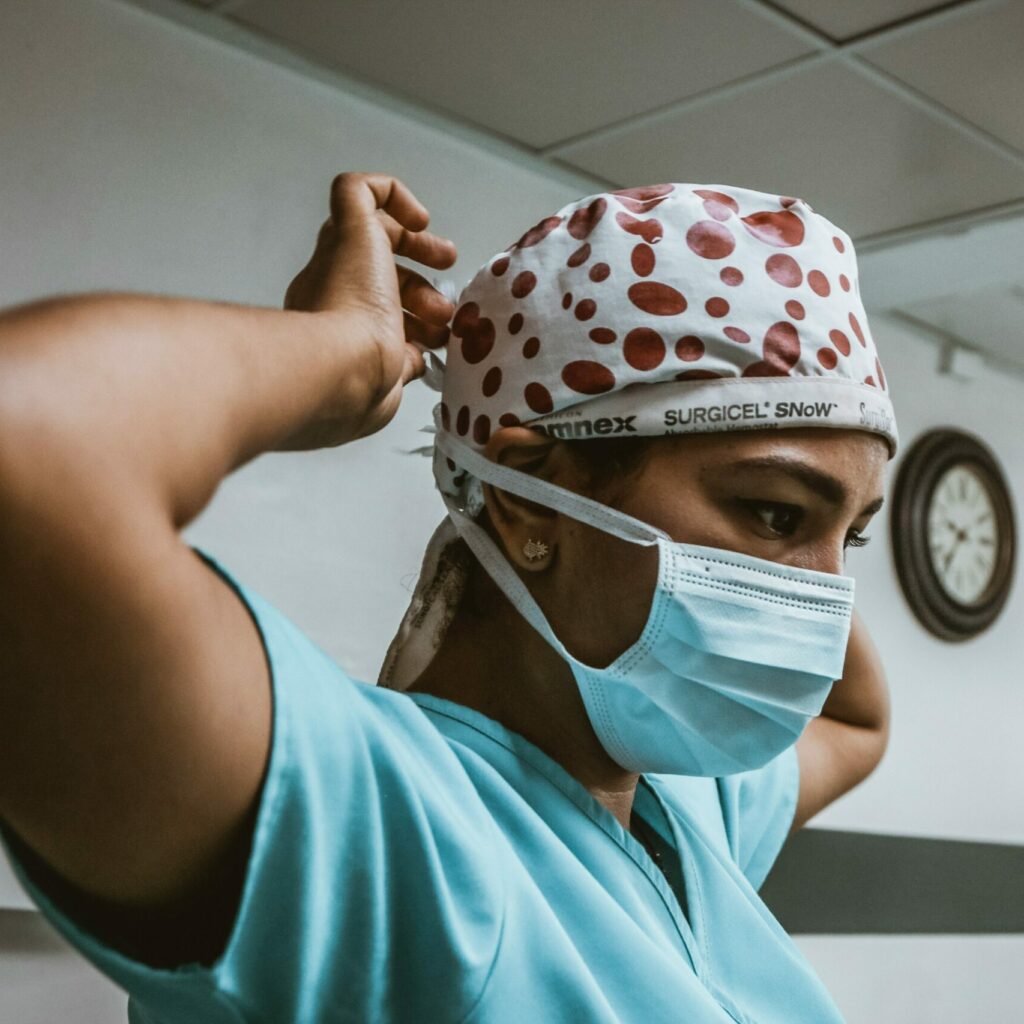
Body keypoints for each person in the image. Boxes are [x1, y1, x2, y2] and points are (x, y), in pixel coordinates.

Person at [0, 173, 894, 1023]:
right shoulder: (386, 842)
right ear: (520, 496)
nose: (823, 598)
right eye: (774, 511)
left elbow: (857, 721)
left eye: (850, 537)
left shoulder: (681, 811)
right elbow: (28, 441)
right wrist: (347, 352)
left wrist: (804, 491)